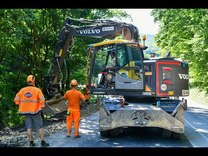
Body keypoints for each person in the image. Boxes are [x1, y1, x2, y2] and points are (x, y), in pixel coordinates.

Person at [14, 75, 49, 147]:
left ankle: (31, 142)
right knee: (40, 126)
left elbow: (16, 100)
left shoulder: (22, 90)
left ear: (27, 81)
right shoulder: (37, 90)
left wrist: (19, 104)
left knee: (29, 127)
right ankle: (42, 142)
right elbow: (42, 100)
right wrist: (41, 106)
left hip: (26, 112)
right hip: (36, 111)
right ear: (34, 81)